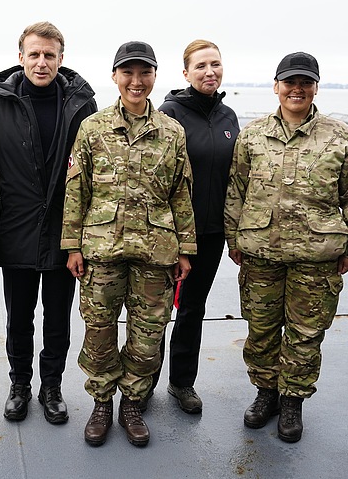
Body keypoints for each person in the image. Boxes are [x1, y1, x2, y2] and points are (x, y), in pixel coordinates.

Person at [224, 52, 348, 443]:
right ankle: (266, 393)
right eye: (289, 81)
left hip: (317, 256)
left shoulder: (340, 137)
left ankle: (293, 401)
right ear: (276, 86)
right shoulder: (253, 135)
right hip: (260, 254)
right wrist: (233, 238)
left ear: (315, 88)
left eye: (305, 82)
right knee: (261, 330)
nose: (297, 89)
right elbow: (235, 190)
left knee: (306, 334)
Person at [62, 41, 197, 447]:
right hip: (102, 248)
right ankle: (102, 401)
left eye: (144, 73)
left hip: (156, 251)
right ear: (115, 76)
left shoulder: (172, 131)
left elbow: (181, 193)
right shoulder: (93, 127)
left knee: (148, 331)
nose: (136, 81)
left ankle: (132, 403)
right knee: (99, 328)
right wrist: (72, 245)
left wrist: (186, 249)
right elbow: (76, 190)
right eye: (128, 73)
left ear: (155, 77)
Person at [0, 22, 98, 424]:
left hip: (65, 231)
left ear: (62, 59)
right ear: (20, 57)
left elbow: (92, 174)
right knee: (19, 316)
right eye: (34, 54)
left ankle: (51, 387)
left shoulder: (81, 106)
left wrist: (81, 236)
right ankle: (19, 385)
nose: (41, 62)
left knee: (59, 315)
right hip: (17, 227)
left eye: (49, 55)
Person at [145, 40, 239, 414]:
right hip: (169, 233)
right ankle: (143, 381)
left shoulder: (229, 117)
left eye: (215, 64)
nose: (209, 72)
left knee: (193, 309)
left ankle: (182, 382)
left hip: (211, 232)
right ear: (185, 73)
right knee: (155, 309)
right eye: (200, 66)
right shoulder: (170, 114)